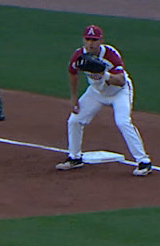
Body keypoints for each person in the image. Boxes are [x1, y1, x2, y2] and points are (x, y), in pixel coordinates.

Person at [55, 25, 153, 176]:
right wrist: (73, 98)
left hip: (119, 93)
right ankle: (74, 158)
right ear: (83, 39)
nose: (91, 43)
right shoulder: (79, 55)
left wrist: (104, 74)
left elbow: (120, 81)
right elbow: (72, 73)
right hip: (96, 92)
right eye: (88, 39)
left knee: (122, 122)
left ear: (101, 40)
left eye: (94, 40)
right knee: (74, 120)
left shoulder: (110, 54)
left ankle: (144, 161)